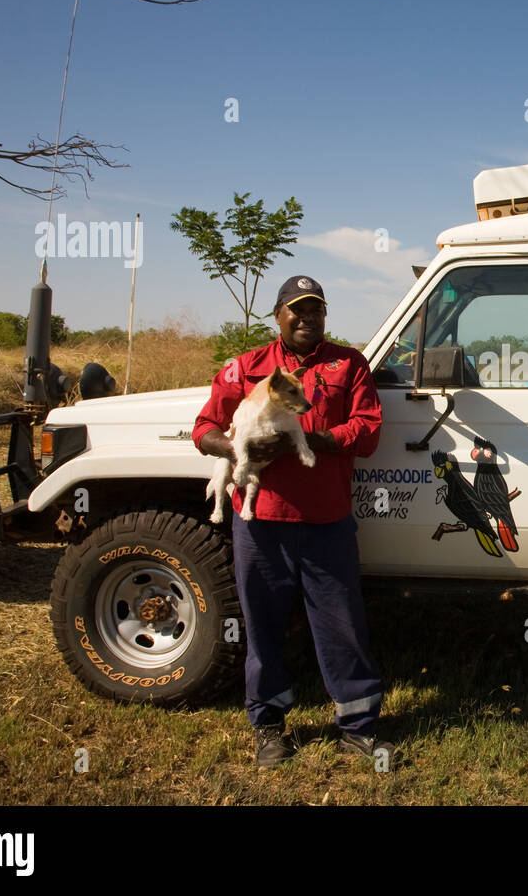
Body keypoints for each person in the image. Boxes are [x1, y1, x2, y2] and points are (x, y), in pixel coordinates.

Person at [193, 275, 389, 768]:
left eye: (316, 310)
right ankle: (270, 728)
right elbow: (204, 429)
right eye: (296, 310)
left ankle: (358, 727)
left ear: (326, 316)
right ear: (278, 315)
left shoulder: (349, 364)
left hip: (327, 520)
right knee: (261, 626)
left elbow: (366, 432)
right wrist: (241, 447)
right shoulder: (245, 367)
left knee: (342, 624)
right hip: (260, 523)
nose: (307, 318)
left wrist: (311, 439)